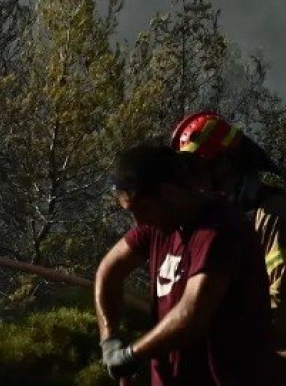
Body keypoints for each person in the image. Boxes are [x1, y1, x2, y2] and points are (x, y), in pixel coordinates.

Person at [95, 144, 275, 385]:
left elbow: (192, 316)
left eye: (143, 209)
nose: (139, 221)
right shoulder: (157, 223)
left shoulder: (220, 230)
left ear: (169, 193)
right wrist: (110, 341)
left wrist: (129, 356)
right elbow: (109, 271)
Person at [170, 112, 286, 385]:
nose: (196, 181)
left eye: (200, 168)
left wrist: (227, 326)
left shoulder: (272, 212)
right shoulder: (217, 221)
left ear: (224, 164)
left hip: (282, 364)